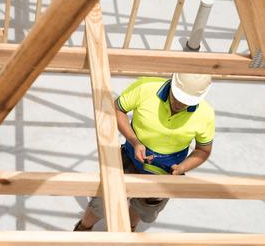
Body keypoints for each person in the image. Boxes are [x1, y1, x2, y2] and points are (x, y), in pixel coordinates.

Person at [73, 73, 215, 232]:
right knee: (103, 200)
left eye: (186, 101)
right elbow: (118, 109)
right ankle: (84, 228)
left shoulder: (205, 114)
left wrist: (182, 168)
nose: (180, 104)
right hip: (130, 157)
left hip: (165, 173)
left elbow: (203, 150)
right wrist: (135, 142)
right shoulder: (146, 88)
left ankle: (130, 229)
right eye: (177, 97)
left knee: (144, 207)